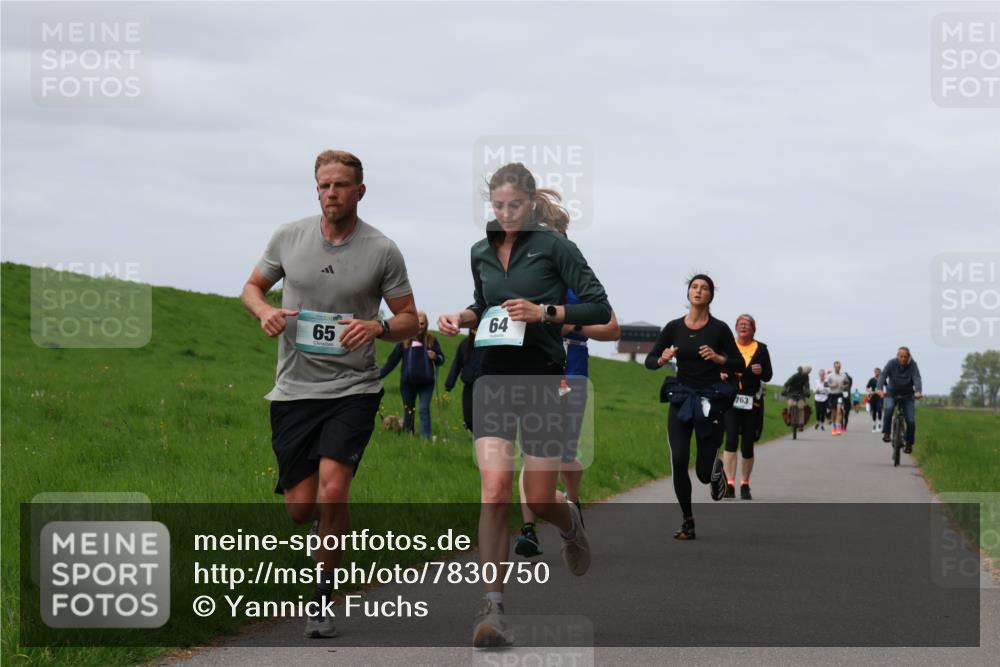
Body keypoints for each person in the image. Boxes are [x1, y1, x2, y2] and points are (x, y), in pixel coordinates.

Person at [241, 150, 418, 639]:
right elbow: (252, 288)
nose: (331, 193)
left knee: (335, 491)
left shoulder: (382, 250)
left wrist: (378, 327)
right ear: (315, 188)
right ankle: (327, 533)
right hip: (295, 389)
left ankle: (321, 599)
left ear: (360, 191)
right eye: (324, 186)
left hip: (353, 388)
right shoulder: (288, 237)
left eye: (341, 185)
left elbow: (409, 319)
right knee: (302, 510)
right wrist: (264, 313)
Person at [437, 162, 612, 648]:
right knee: (494, 491)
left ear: (531, 203)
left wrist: (546, 313)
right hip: (491, 376)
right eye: (497, 206)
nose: (506, 214)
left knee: (536, 498)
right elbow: (483, 304)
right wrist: (461, 316)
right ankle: (493, 609)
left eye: (514, 205)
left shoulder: (556, 247)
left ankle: (569, 521)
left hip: (542, 378)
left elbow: (599, 306)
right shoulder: (481, 251)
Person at [515, 275, 621, 558]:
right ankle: (528, 530)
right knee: (531, 453)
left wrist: (568, 324)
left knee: (564, 455)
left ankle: (572, 501)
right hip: (534, 372)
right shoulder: (526, 282)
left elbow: (612, 330)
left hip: (571, 373)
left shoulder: (580, 284)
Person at [645, 275, 745, 540]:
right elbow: (650, 359)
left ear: (711, 296)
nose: (698, 291)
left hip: (710, 401)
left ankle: (715, 471)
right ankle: (687, 521)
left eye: (704, 288)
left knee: (702, 473)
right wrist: (662, 358)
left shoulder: (720, 329)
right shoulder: (674, 327)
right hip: (682, 398)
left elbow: (738, 364)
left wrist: (719, 357)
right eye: (694, 287)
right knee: (678, 461)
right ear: (688, 293)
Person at [719, 314, 772, 500]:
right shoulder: (728, 347)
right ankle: (730, 483)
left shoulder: (762, 349)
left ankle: (745, 484)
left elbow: (768, 376)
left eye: (747, 325)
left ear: (753, 329)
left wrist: (761, 371)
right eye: (740, 324)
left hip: (752, 400)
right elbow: (718, 366)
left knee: (747, 445)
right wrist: (722, 374)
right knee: (731, 441)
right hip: (731, 399)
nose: (743, 327)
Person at [379, 311, 445, 439]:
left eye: (422, 323)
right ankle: (407, 436)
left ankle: (426, 438)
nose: (419, 326)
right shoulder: (404, 342)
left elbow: (442, 359)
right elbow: (391, 362)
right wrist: (378, 376)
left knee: (423, 409)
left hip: (426, 384)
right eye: (417, 323)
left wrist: (436, 357)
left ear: (426, 324)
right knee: (408, 412)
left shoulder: (432, 340)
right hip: (407, 385)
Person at [877, 347, 924, 453]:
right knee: (889, 409)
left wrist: (918, 391)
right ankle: (887, 433)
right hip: (891, 393)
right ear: (897, 356)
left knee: (911, 421)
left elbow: (917, 378)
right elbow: (883, 376)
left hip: (908, 395)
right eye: (901, 356)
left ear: (909, 357)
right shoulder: (891, 363)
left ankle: (909, 443)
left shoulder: (913, 365)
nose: (903, 359)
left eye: (905, 357)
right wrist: (879, 389)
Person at [443, 327, 484, 432]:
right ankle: (477, 434)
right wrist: (449, 384)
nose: (475, 329)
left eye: (479, 326)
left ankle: (483, 438)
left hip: (486, 387)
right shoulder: (464, 344)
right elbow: (457, 364)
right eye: (473, 326)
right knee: (469, 419)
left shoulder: (491, 345)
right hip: (469, 386)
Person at [783, 365, 812, 430]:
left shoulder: (806, 377)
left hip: (801, 394)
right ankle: (789, 418)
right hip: (791, 393)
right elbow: (787, 383)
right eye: (807, 372)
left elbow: (806, 385)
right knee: (790, 405)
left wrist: (807, 392)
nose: (807, 373)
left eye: (808, 372)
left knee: (801, 407)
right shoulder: (795, 376)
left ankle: (801, 423)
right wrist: (785, 390)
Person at [824, 361, 849, 436]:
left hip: (840, 395)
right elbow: (825, 384)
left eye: (839, 366)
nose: (838, 368)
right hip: (832, 395)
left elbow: (847, 383)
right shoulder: (830, 375)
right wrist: (832, 385)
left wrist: (843, 386)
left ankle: (838, 428)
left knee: (839, 410)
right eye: (836, 366)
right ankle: (834, 427)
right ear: (834, 367)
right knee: (833, 412)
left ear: (840, 367)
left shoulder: (843, 375)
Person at [866, 367, 883, 433]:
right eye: (876, 372)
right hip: (873, 396)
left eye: (878, 372)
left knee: (879, 409)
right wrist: (870, 391)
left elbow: (887, 386)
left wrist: (883, 393)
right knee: (874, 411)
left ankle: (879, 424)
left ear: (880, 373)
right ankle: (874, 425)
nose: (877, 373)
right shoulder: (871, 380)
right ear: (874, 372)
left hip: (880, 397)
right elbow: (867, 387)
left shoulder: (882, 379)